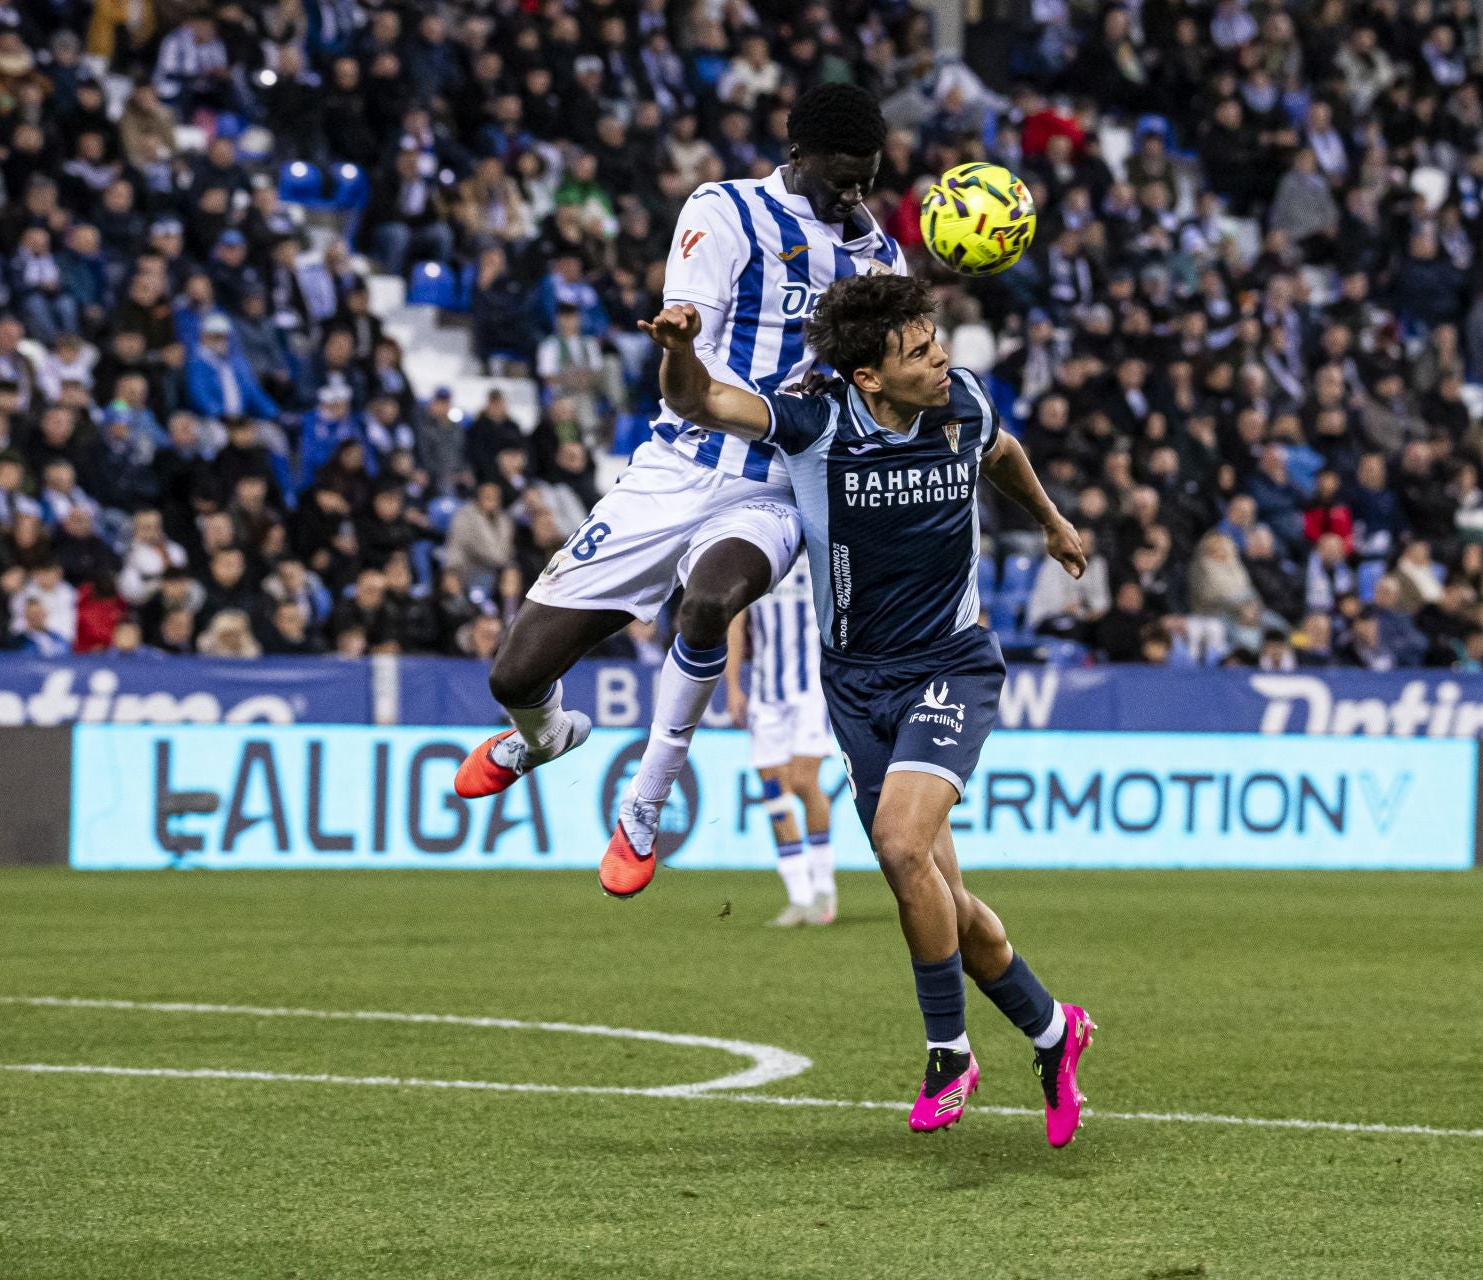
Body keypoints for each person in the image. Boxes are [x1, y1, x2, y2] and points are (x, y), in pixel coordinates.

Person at [640, 274, 1096, 1145]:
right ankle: (1051, 1029)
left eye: (936, 342)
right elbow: (698, 400)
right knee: (945, 906)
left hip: (951, 666)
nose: (941, 360)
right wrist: (680, 349)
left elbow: (1001, 454)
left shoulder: (961, 402)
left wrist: (1050, 520)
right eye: (918, 352)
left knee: (897, 845)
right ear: (868, 378)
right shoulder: (815, 421)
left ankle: (949, 1052)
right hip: (856, 682)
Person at [453, 85, 901, 885]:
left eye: (867, 177)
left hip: (774, 484)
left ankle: (643, 808)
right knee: (515, 674)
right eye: (841, 177)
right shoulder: (724, 211)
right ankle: (544, 736)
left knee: (709, 602)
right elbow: (682, 370)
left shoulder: (878, 259)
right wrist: (679, 344)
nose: (854, 193)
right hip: (674, 469)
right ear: (798, 157)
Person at [725, 556, 838, 927]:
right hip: (766, 696)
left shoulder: (820, 556)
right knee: (774, 789)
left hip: (811, 691)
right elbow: (737, 622)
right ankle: (799, 896)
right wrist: (733, 686)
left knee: (805, 781)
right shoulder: (762, 558)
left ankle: (823, 884)